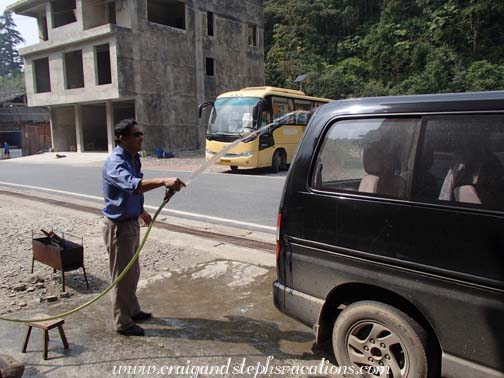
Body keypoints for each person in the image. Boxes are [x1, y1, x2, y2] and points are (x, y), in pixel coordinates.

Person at [102, 119, 185, 337]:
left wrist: (140, 211)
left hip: (130, 222)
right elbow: (133, 185)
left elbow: (131, 192)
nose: (141, 138)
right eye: (136, 135)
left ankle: (133, 311)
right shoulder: (115, 162)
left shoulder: (133, 158)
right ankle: (122, 322)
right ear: (123, 138)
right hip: (118, 228)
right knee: (122, 276)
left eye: (141, 134)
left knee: (133, 272)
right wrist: (164, 180)